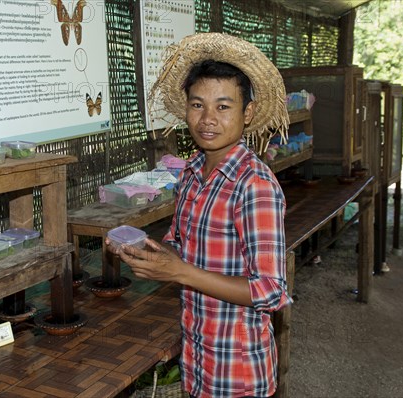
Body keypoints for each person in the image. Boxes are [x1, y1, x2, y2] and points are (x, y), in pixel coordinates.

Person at [107, 33, 292, 398]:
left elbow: (272, 292)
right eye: (197, 105)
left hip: (238, 372)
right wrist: (152, 255)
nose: (208, 119)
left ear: (248, 112)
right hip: (197, 359)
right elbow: (180, 244)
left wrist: (180, 272)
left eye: (223, 106)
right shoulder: (192, 173)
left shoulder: (254, 185)